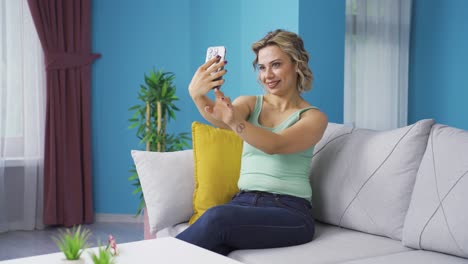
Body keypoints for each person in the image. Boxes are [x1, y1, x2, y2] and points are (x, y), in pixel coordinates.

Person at [176, 29, 328, 256]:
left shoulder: (313, 117)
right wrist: (197, 95)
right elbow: (222, 119)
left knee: (217, 218)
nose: (268, 75)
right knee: (210, 249)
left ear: (297, 64)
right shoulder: (250, 103)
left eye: (276, 64)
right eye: (262, 67)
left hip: (291, 212)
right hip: (243, 202)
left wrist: (236, 122)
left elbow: (275, 145)